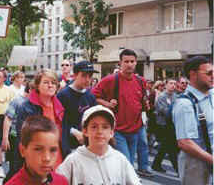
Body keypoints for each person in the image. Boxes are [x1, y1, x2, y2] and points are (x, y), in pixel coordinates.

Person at [57, 105, 150, 185]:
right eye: (94, 127)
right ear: (85, 131)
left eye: (105, 127)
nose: (100, 131)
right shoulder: (73, 161)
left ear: (111, 132)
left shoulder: (120, 160)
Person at [92, 49, 153, 177]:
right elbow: (93, 96)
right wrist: (107, 104)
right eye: (126, 61)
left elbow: (142, 100)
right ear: (120, 63)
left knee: (128, 163)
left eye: (132, 61)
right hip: (118, 129)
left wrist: (145, 105)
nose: (129, 64)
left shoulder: (141, 81)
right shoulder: (110, 80)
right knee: (126, 164)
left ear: (136, 63)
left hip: (135, 127)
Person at [0, 115, 76, 185]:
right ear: (22, 150)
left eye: (53, 150)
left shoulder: (62, 184)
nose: (47, 158)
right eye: (38, 149)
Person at [173, 56, 213, 185]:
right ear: (193, 74)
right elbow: (185, 142)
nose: (213, 76)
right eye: (208, 73)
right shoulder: (185, 103)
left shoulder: (211, 96)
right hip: (196, 164)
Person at [15, 69, 64, 170]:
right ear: (37, 85)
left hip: (59, 160)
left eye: (53, 83)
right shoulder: (26, 107)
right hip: (38, 161)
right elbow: (23, 137)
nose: (50, 85)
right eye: (46, 82)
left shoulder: (61, 106)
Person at [57, 61, 97, 158]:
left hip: (87, 144)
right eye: (84, 75)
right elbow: (58, 121)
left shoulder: (90, 96)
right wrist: (74, 132)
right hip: (68, 145)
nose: (88, 79)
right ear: (74, 75)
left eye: (90, 76)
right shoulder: (63, 95)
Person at [1, 82, 32, 184]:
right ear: (29, 90)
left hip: (27, 139)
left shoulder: (33, 103)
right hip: (14, 137)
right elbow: (8, 119)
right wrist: (5, 138)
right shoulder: (18, 101)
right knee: (15, 167)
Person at [0, 68, 15, 178]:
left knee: (5, 142)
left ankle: (0, 162)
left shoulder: (9, 90)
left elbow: (13, 105)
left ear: (4, 78)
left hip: (5, 118)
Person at [151, 78, 178, 173]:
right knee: (171, 147)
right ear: (166, 85)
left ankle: (156, 164)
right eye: (171, 83)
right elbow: (164, 111)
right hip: (163, 124)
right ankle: (178, 168)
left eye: (174, 83)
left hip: (172, 125)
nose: (173, 85)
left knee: (165, 146)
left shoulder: (175, 96)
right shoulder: (162, 97)